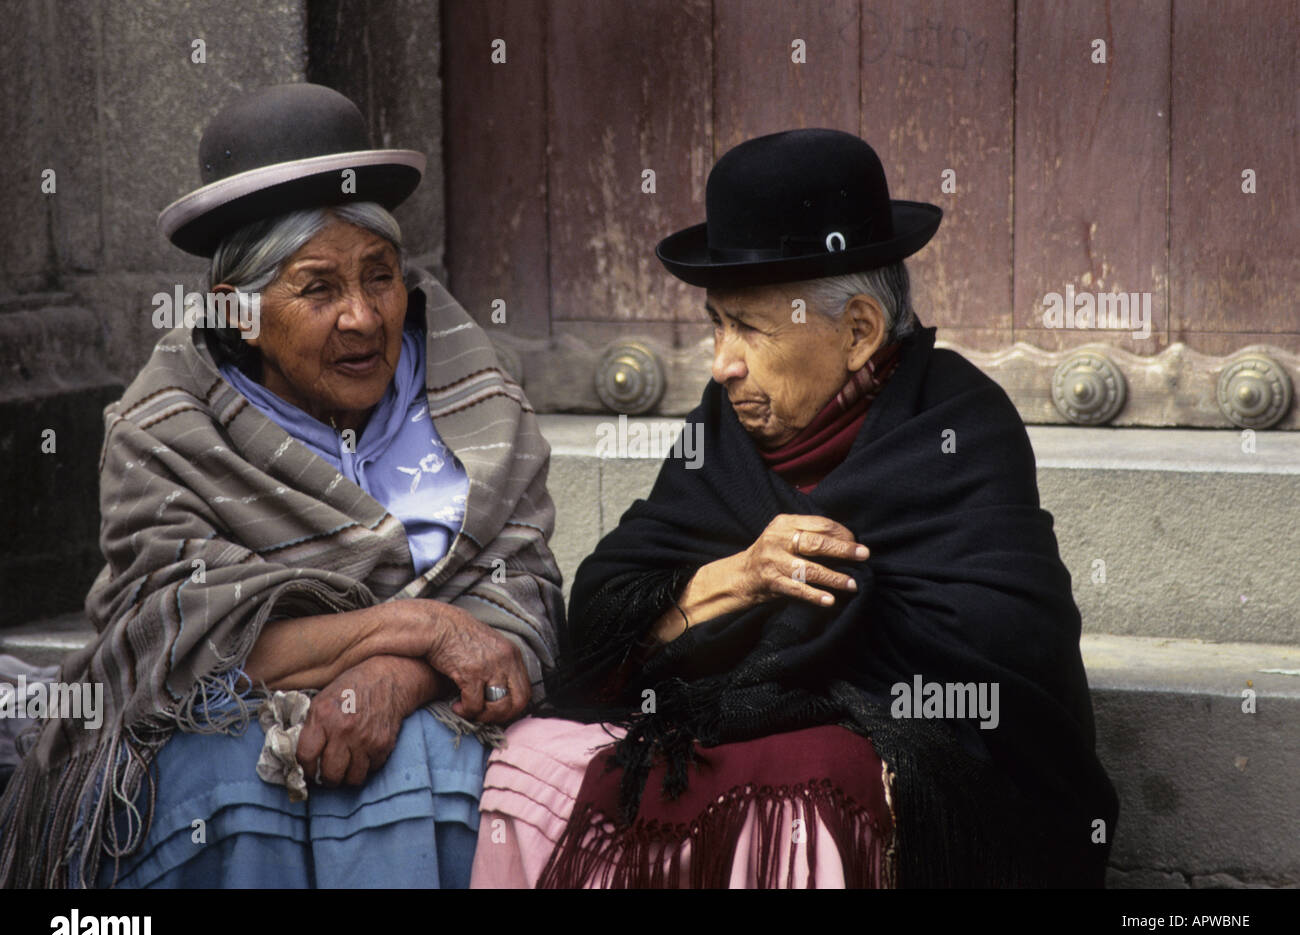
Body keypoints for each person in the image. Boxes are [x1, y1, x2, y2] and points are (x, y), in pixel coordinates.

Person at [470, 128, 1118, 888]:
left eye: (748, 327)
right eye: (717, 321)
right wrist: (743, 580)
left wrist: (798, 646)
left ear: (858, 333)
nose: (721, 362)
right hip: (725, 724)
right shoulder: (721, 431)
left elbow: (1003, 661)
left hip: (905, 755)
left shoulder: (958, 427)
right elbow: (608, 612)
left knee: (805, 792)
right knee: (532, 755)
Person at [0, 83, 564, 888]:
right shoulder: (166, 430)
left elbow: (524, 606)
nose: (366, 318)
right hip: (226, 738)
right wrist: (423, 625)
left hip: (430, 724)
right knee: (226, 778)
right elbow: (173, 648)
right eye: (319, 288)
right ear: (237, 314)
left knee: (436, 764)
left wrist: (393, 675)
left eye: (380, 276)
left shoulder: (474, 397)